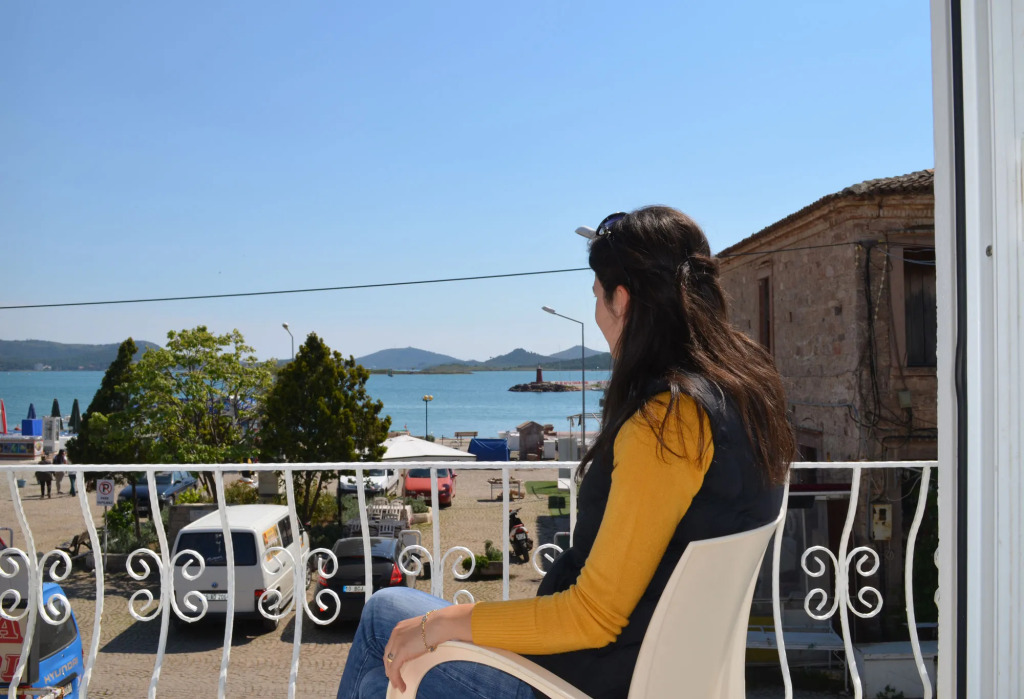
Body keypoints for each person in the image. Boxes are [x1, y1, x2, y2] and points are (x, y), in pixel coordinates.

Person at [336, 206, 795, 699]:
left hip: (576, 680)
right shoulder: (745, 398)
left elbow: (593, 616)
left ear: (622, 299)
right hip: (632, 666)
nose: (597, 312)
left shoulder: (668, 423)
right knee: (387, 635)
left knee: (384, 618)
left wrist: (443, 624)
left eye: (597, 295)